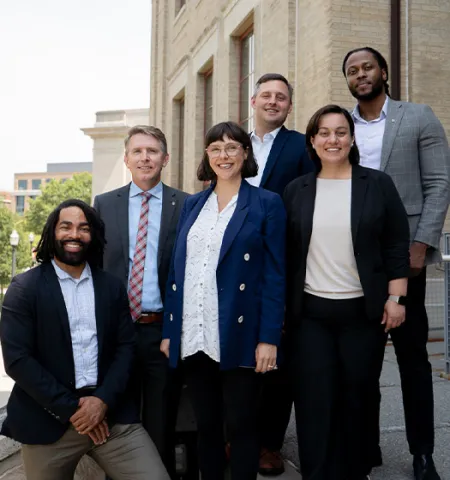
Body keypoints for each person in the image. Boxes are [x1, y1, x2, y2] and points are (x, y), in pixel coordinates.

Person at [0, 199, 169, 480]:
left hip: (111, 418)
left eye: (83, 228)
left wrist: (101, 402)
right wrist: (74, 410)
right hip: (49, 421)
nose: (74, 235)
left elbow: (126, 348)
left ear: (93, 236)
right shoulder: (24, 288)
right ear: (52, 233)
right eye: (65, 227)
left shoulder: (111, 286)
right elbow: (17, 360)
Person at [284, 105, 410, 480]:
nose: (332, 139)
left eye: (341, 132)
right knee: (314, 398)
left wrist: (396, 297)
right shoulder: (297, 190)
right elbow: (288, 252)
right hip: (311, 314)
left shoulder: (377, 183)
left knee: (359, 394)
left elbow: (395, 242)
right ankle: (318, 472)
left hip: (363, 312)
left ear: (352, 139)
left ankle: (357, 469)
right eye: (324, 132)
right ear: (313, 140)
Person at [342, 46, 450, 480]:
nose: (361, 75)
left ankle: (422, 453)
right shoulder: (340, 125)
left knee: (412, 357)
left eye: (367, 67)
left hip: (404, 254)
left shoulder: (418, 116)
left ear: (383, 71)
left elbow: (439, 183)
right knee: (361, 358)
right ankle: (366, 451)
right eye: (352, 71)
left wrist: (420, 245)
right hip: (351, 258)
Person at [160, 121, 286, 480]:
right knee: (207, 427)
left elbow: (275, 276)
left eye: (232, 147)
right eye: (216, 148)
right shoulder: (193, 204)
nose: (224, 155)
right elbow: (176, 272)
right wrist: (171, 331)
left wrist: (269, 338)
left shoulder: (266, 204)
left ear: (245, 153)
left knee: (243, 427)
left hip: (239, 332)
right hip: (194, 333)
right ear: (207, 156)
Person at [93, 125, 188, 477]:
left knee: (162, 418)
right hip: (118, 331)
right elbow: (95, 266)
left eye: (152, 151)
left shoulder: (186, 204)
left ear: (165, 158)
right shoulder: (105, 204)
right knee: (117, 416)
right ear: (126, 158)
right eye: (138, 151)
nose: (145, 157)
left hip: (162, 330)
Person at [248, 72, 314, 476]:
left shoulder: (298, 148)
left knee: (278, 357)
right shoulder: (233, 143)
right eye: (267, 95)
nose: (273, 102)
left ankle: (269, 444)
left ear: (289, 106)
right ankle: (235, 435)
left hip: (281, 262)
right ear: (253, 100)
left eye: (282, 97)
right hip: (234, 264)